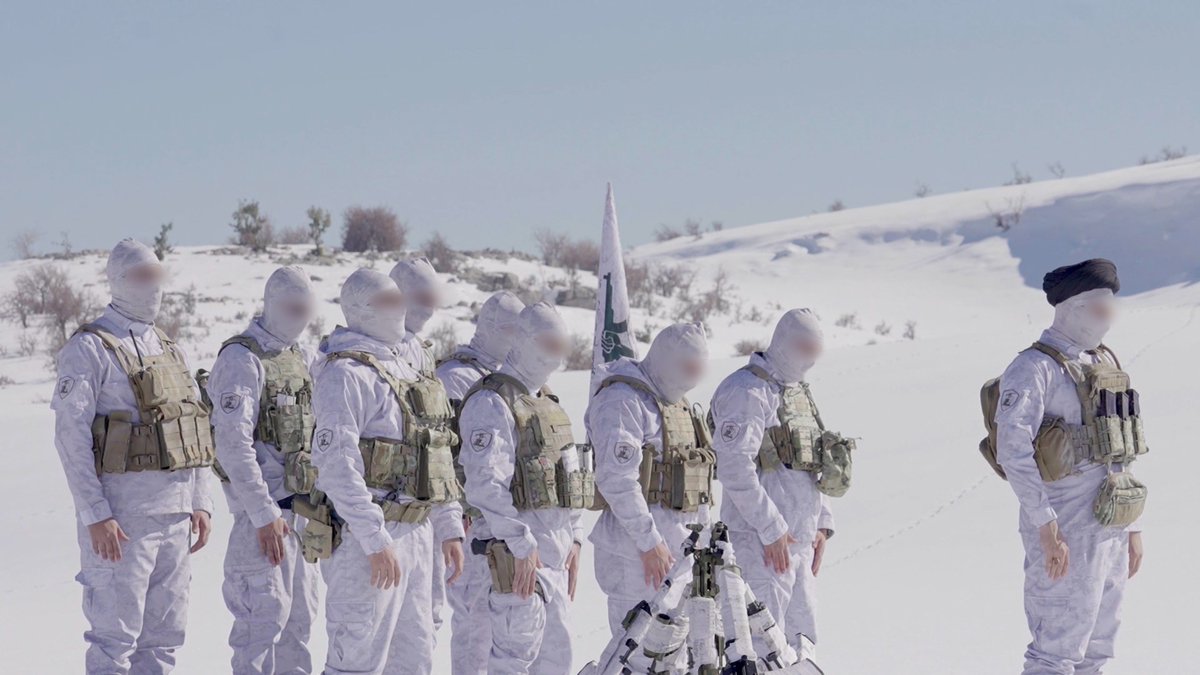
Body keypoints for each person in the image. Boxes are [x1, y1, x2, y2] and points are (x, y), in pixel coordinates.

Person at [51, 238, 215, 673]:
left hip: (175, 518)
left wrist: (200, 501)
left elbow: (193, 426)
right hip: (122, 521)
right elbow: (70, 438)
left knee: (163, 640)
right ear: (118, 282)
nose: (153, 287)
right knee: (114, 641)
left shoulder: (170, 347)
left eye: (157, 277)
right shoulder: (90, 348)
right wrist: (95, 513)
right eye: (142, 277)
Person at [994, 259, 1146, 675]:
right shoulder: (1034, 368)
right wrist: (1045, 525)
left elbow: (1120, 446)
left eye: (1110, 305)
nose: (1108, 316)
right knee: (1055, 651)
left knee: (1098, 649)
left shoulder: (1103, 362)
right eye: (1098, 306)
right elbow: (1012, 449)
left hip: (1110, 527)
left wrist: (1131, 528)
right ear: (1071, 307)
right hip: (1063, 529)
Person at [310, 268, 465, 675]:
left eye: (400, 300)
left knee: (414, 658)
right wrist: (375, 539)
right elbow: (336, 465)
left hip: (418, 533)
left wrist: (448, 525)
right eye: (387, 302)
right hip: (369, 540)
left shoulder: (407, 368)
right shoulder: (344, 373)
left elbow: (436, 453)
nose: (399, 309)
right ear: (360, 309)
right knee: (357, 660)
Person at [457, 302, 586, 674]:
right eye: (548, 343)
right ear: (523, 341)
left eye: (562, 344)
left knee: (555, 663)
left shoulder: (547, 402)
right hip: (515, 557)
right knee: (511, 662)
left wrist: (575, 537)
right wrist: (521, 543)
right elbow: (484, 485)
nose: (556, 353)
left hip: (554, 559)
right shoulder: (491, 402)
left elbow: (570, 476)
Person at [205, 266, 320, 674]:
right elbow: (233, 446)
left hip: (303, 521)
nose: (299, 316)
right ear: (270, 304)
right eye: (291, 307)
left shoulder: (300, 357)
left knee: (299, 628)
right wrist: (263, 513)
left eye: (305, 309)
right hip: (263, 522)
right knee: (259, 631)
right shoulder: (241, 358)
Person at [709, 309, 840, 655]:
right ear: (783, 342)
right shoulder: (747, 391)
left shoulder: (796, 393)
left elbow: (813, 461)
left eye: (816, 350)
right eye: (803, 348)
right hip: (759, 544)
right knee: (760, 645)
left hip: (798, 543)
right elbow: (734, 468)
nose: (810, 358)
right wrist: (770, 528)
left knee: (802, 641)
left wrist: (822, 525)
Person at [586, 323, 714, 647]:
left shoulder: (681, 406)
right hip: (636, 557)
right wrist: (649, 542)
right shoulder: (622, 399)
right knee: (637, 656)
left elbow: (698, 482)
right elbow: (617, 479)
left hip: (678, 554)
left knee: (676, 656)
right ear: (666, 359)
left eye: (697, 370)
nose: (691, 378)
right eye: (686, 368)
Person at [435, 290, 527, 675]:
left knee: (510, 628)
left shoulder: (514, 378)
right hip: (470, 521)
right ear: (488, 327)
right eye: (509, 330)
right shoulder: (455, 377)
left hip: (506, 521)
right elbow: (443, 452)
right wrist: (457, 513)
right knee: (474, 624)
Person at [389, 257, 464, 653]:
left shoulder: (421, 355)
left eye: (431, 298)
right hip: (379, 523)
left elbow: (438, 447)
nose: (428, 307)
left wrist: (449, 526)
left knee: (421, 635)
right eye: (419, 296)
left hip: (422, 522)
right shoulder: (360, 355)